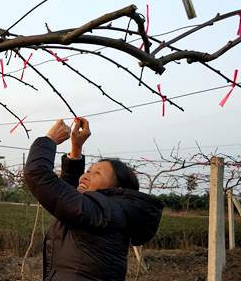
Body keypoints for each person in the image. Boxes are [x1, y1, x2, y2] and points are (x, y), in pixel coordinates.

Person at [24, 118, 163, 281]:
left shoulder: (104, 212)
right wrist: (76, 149)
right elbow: (70, 196)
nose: (85, 175)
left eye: (96, 173)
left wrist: (49, 140)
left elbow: (37, 174)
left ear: (117, 190)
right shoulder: (106, 212)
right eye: (88, 171)